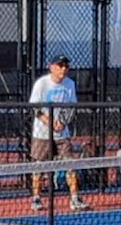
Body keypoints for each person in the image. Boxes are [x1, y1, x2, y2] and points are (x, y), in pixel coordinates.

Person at [28, 55, 87, 211]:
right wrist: (50, 122)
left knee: (70, 165)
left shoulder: (70, 84)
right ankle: (36, 199)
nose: (64, 69)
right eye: (60, 66)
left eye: (66, 66)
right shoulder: (42, 84)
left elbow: (71, 107)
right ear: (51, 67)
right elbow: (35, 109)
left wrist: (62, 122)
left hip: (62, 134)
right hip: (42, 134)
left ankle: (75, 199)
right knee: (39, 167)